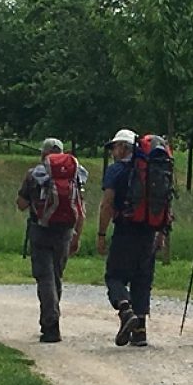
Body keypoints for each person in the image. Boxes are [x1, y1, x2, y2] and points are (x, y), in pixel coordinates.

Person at [96, 128, 165, 347]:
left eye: (115, 147)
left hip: (126, 230)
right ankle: (140, 332)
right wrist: (162, 232)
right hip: (149, 232)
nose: (113, 151)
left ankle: (126, 311)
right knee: (142, 279)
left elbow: (107, 203)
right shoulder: (155, 170)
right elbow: (164, 202)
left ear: (123, 148)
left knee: (114, 276)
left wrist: (101, 234)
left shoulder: (116, 171)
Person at [16, 138, 87, 343]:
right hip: (65, 232)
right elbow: (81, 210)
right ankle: (51, 319)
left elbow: (21, 204)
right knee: (55, 276)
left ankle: (50, 324)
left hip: (40, 230)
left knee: (45, 277)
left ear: (43, 154)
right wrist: (77, 236)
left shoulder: (34, 175)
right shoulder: (75, 175)